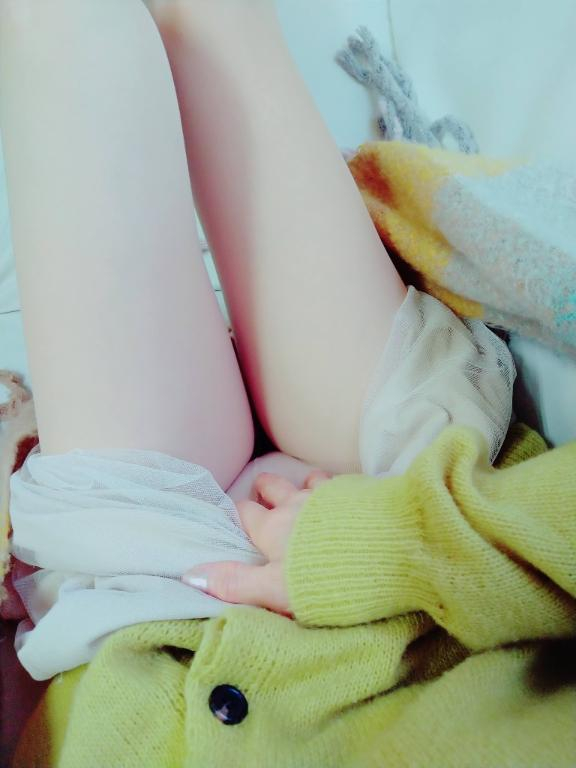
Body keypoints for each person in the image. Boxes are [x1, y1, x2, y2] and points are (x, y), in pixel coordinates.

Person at [1, 1, 574, 766]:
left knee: (56, 23)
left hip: (141, 596)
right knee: (191, 17)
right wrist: (380, 544)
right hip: (420, 504)